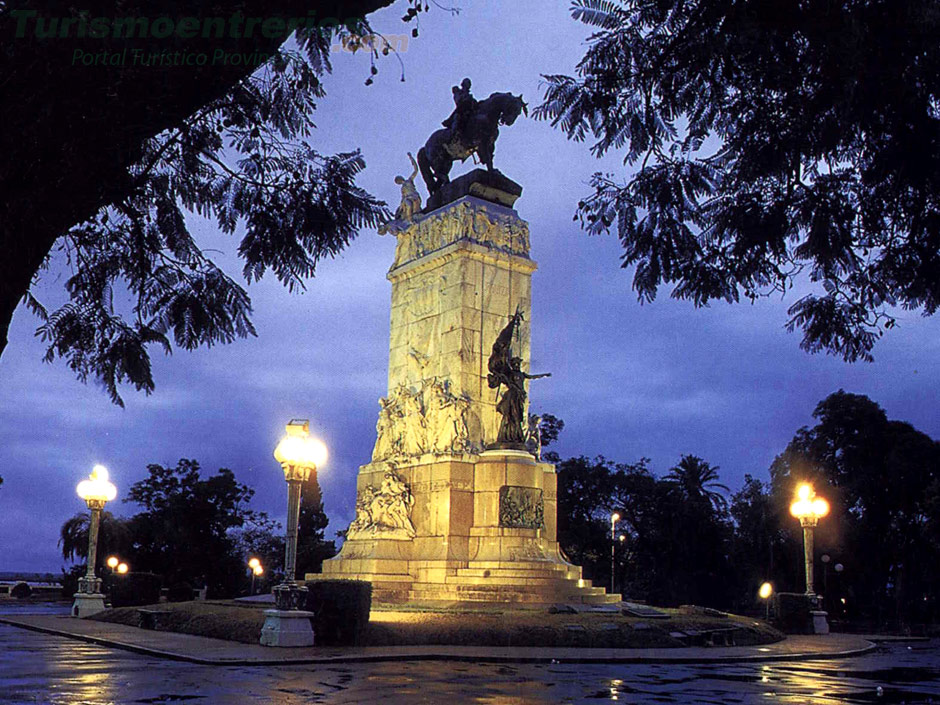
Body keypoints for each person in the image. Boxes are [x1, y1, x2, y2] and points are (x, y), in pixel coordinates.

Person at [393, 152, 422, 221]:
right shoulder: (402, 189)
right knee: (408, 205)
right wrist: (400, 207)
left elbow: (416, 170)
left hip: (414, 196)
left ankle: (413, 219)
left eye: (398, 179)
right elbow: (403, 197)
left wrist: (411, 158)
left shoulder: (409, 180)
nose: (398, 181)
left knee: (416, 211)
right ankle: (409, 220)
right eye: (397, 181)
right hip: (407, 198)